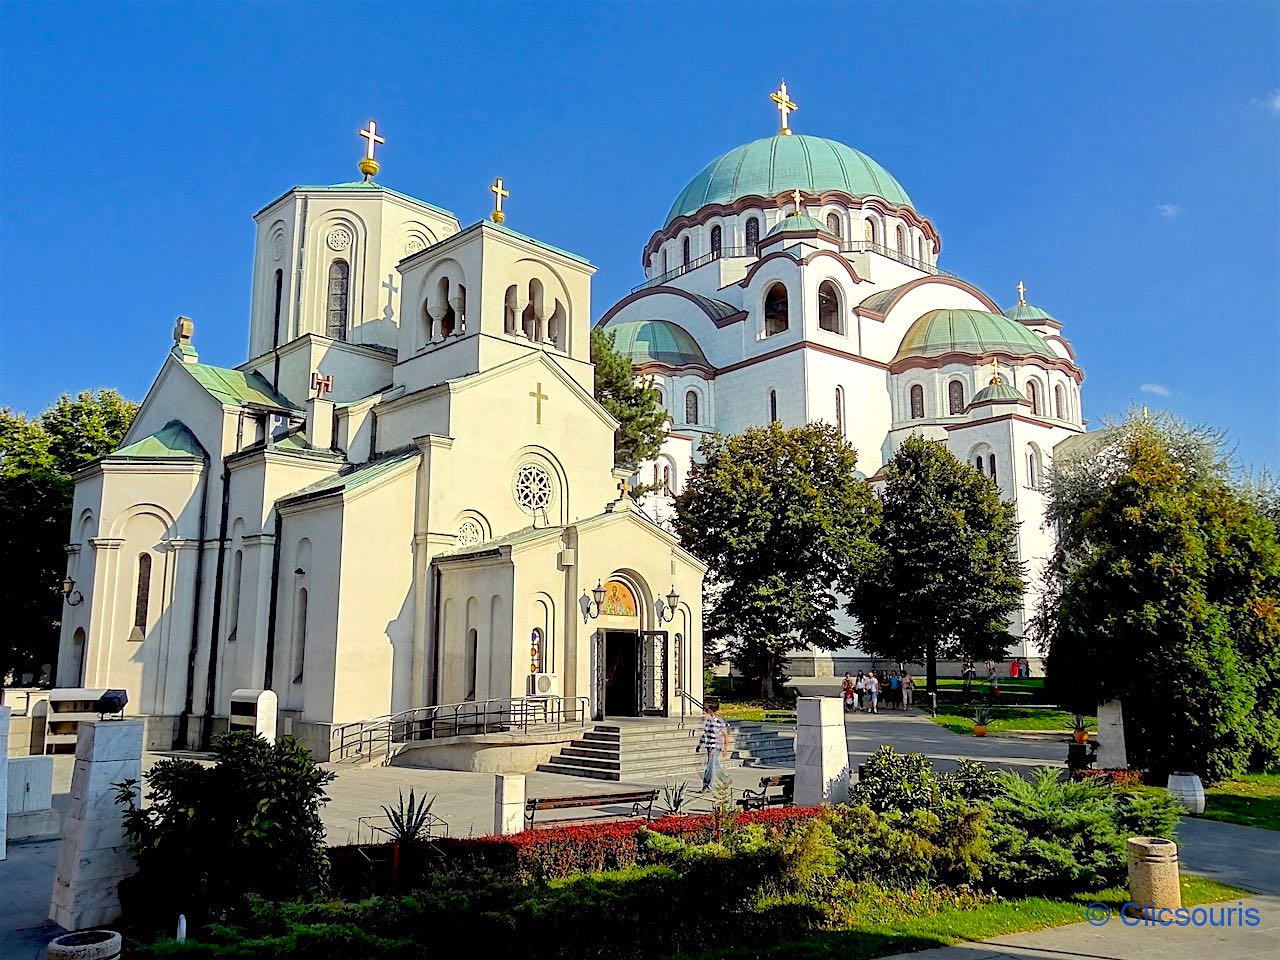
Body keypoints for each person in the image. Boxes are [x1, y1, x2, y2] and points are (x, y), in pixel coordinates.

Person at [697, 697, 729, 792]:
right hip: (709, 746)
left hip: (715, 747)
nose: (703, 712)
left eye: (705, 710)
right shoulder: (708, 721)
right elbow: (706, 734)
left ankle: (707, 786)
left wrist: (725, 749)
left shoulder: (719, 721)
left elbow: (726, 735)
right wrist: (700, 744)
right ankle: (724, 780)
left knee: (710, 766)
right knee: (713, 765)